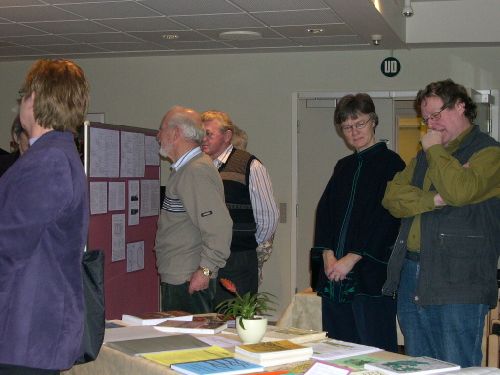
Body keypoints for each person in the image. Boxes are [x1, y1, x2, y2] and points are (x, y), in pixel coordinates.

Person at [382, 79, 500, 367]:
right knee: (419, 365)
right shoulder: (422, 156)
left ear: (461, 106)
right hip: (412, 273)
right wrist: (434, 199)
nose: (430, 126)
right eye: (426, 119)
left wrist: (435, 151)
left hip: (460, 279)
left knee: (456, 364)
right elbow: (392, 197)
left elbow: (460, 191)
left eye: (436, 115)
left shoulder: (489, 152)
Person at [0, 59, 90, 374]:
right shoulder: (58, 154)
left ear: (35, 99)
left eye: (22, 96)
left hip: (25, 330)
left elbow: (8, 245)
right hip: (31, 330)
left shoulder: (48, 161)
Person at [314, 93, 405, 352]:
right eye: (346, 127)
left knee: (372, 349)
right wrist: (328, 255)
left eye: (360, 123)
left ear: (373, 121)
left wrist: (352, 258)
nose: (354, 132)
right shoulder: (343, 166)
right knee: (338, 348)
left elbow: (386, 219)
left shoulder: (391, 164)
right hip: (335, 277)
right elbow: (325, 213)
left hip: (369, 275)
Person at [155, 106, 232, 314]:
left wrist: (205, 270)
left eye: (161, 129)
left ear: (176, 133)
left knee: (187, 345)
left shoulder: (195, 171)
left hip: (188, 280)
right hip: (181, 276)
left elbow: (220, 227)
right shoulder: (187, 169)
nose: (158, 135)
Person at [201, 110, 279, 303]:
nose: (203, 139)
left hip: (238, 259)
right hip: (203, 259)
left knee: (233, 323)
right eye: (200, 134)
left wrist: (246, 242)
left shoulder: (250, 165)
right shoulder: (199, 167)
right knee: (204, 322)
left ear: (227, 136)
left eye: (209, 134)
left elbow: (268, 217)